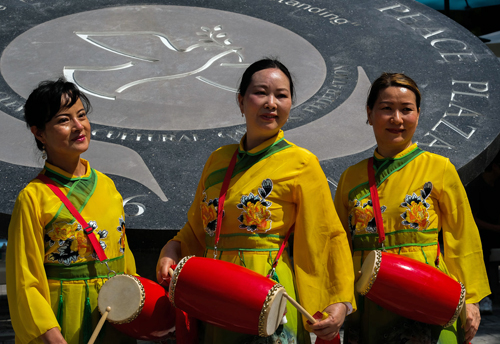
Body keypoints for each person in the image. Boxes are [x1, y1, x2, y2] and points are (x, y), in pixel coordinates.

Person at [157, 58, 356, 343]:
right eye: (260, 92)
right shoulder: (218, 161)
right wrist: (172, 249)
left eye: (281, 95)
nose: (271, 103)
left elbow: (326, 236)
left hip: (268, 291)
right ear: (241, 101)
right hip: (218, 290)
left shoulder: (301, 163)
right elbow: (198, 230)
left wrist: (338, 302)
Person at [333, 72, 490, 344]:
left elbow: (462, 236)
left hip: (428, 295)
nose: (397, 119)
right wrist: (337, 299)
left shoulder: (439, 168)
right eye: (386, 109)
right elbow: (336, 245)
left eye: (406, 110)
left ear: (418, 114)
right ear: (369, 114)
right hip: (370, 301)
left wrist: (471, 299)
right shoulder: (351, 177)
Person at [6, 79, 137, 344]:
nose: (79, 127)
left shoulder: (106, 185)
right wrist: (53, 338)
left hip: (115, 320)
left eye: (82, 116)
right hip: (65, 321)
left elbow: (125, 259)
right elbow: (24, 281)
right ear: (39, 133)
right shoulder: (33, 197)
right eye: (64, 120)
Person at [465, 153, 500, 314]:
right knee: (481, 246)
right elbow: (472, 218)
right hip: (481, 232)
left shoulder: (497, 185)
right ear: (494, 167)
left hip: (495, 231)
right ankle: (485, 296)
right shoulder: (476, 186)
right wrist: (494, 228)